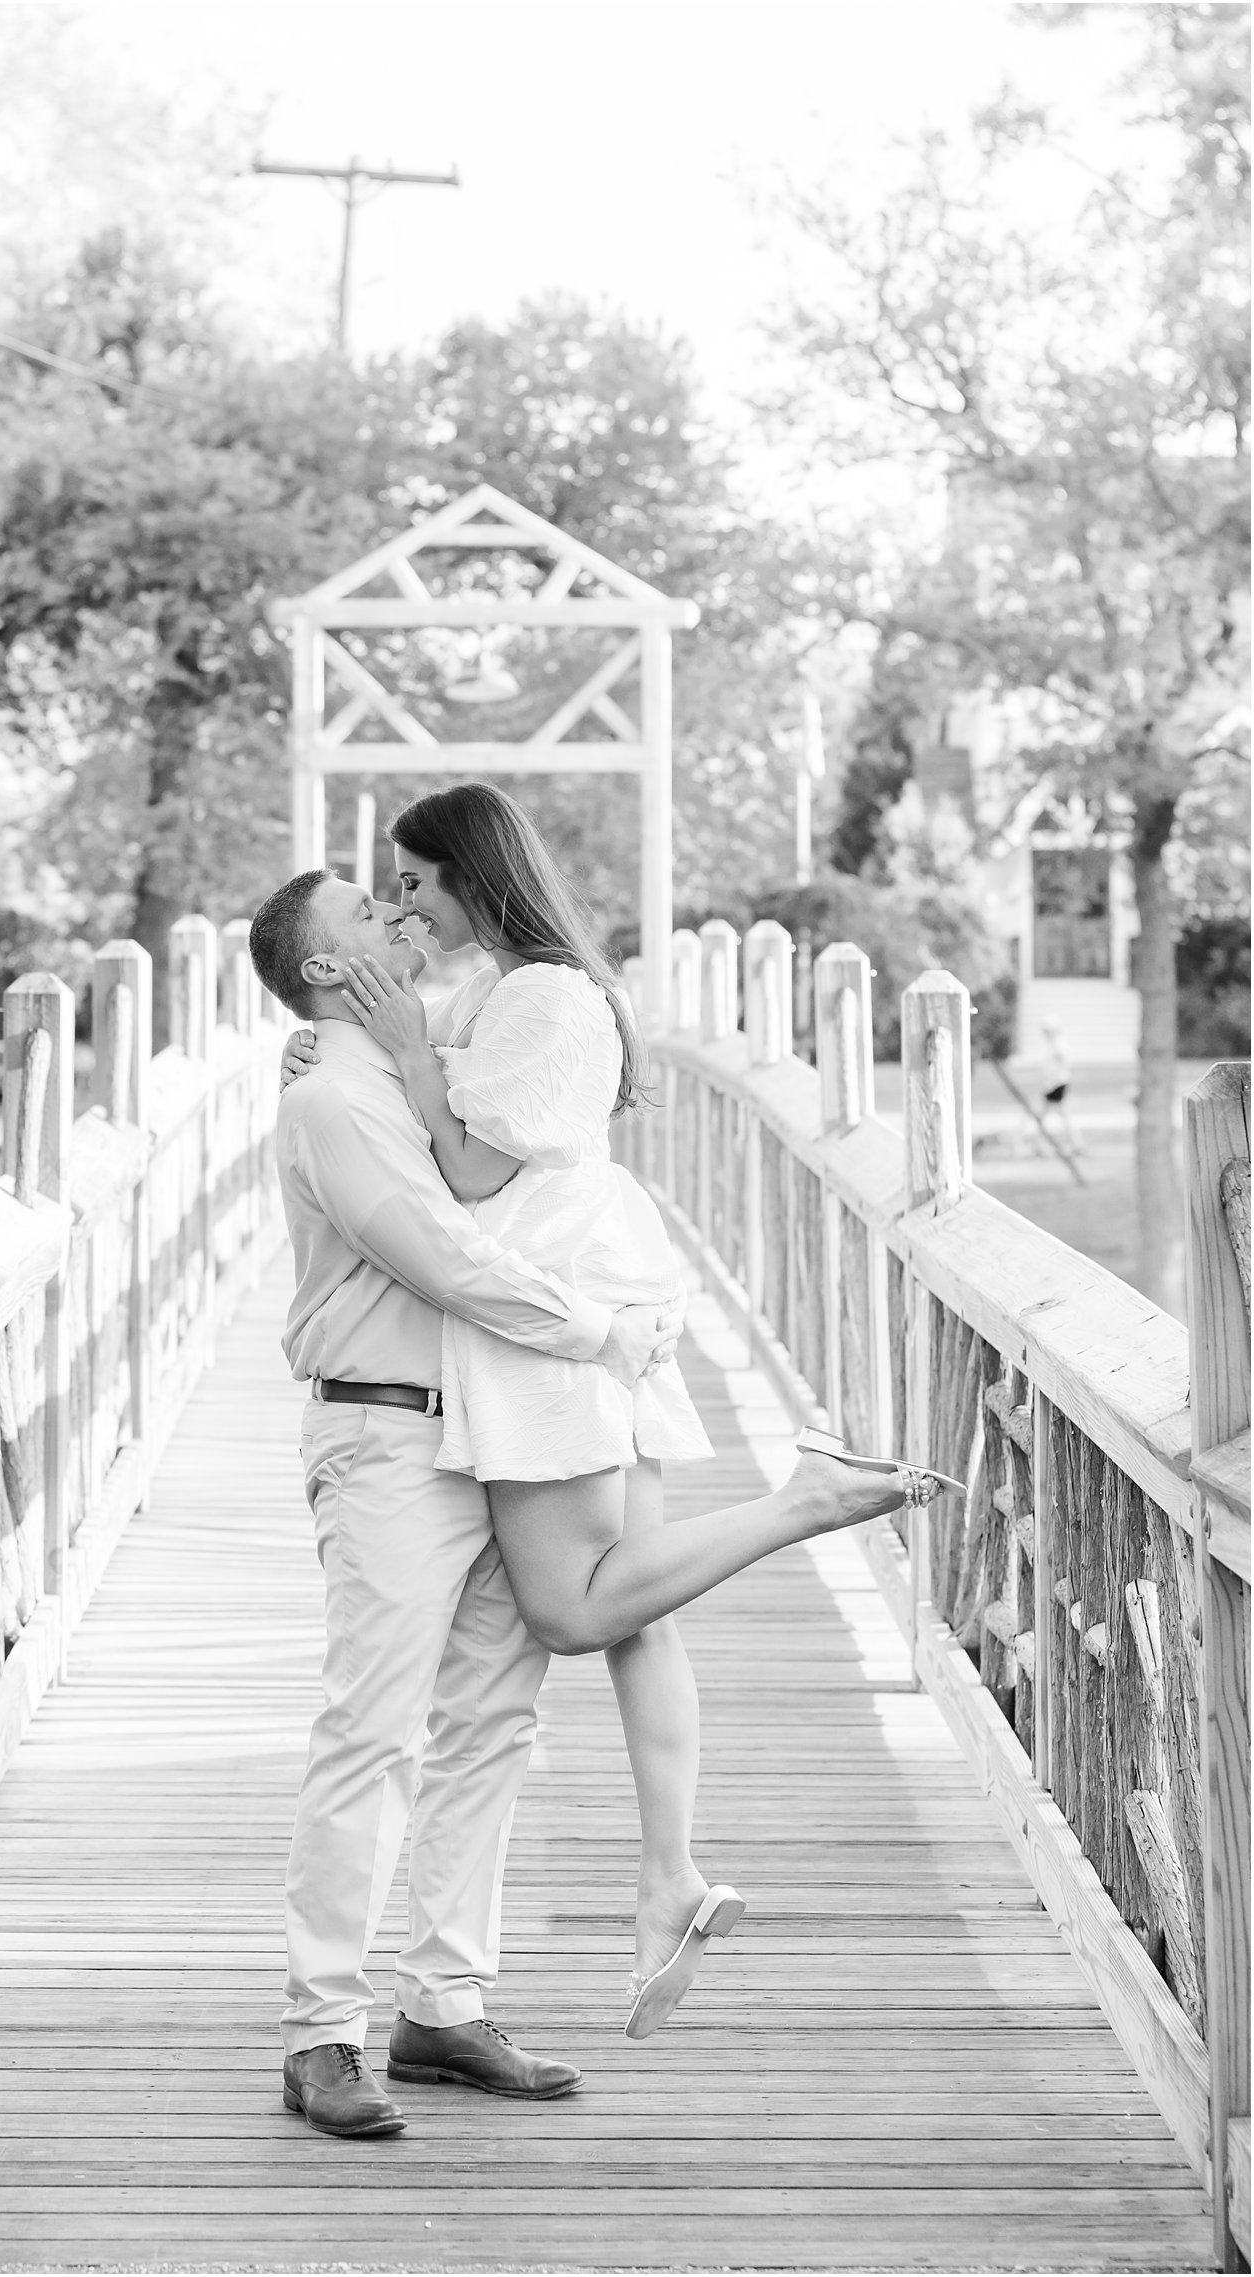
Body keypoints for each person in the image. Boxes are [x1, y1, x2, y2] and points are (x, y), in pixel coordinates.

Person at [275, 785, 956, 2045]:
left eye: (412, 883)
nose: (401, 907)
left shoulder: (536, 995)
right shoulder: (450, 1006)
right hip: (521, 1326)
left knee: (572, 1614)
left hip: (555, 1302)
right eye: (382, 900)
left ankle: (798, 1505)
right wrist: (329, 1041)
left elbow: (471, 1164)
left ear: (473, 877)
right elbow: (400, 1081)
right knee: (616, 1606)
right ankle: (660, 1883)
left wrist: (394, 1051)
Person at [249, 868, 683, 2139]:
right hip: (386, 1429)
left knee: (492, 1721)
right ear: (328, 972)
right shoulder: (333, 1097)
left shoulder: (412, 1057)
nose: (399, 922)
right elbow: (442, 1254)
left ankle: (442, 2001)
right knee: (372, 1729)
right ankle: (319, 2029)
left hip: (498, 1425)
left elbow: (530, 1113)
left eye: (400, 905)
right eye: (368, 921)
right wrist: (606, 1329)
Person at [1038, 1018, 1082, 1159]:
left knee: (1048, 1115)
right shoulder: (1054, 1043)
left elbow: (1063, 1063)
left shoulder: (1058, 1044)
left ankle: (1044, 1145)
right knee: (1059, 1115)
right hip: (1053, 1084)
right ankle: (1076, 1144)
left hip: (1056, 1084)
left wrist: (1051, 1079)